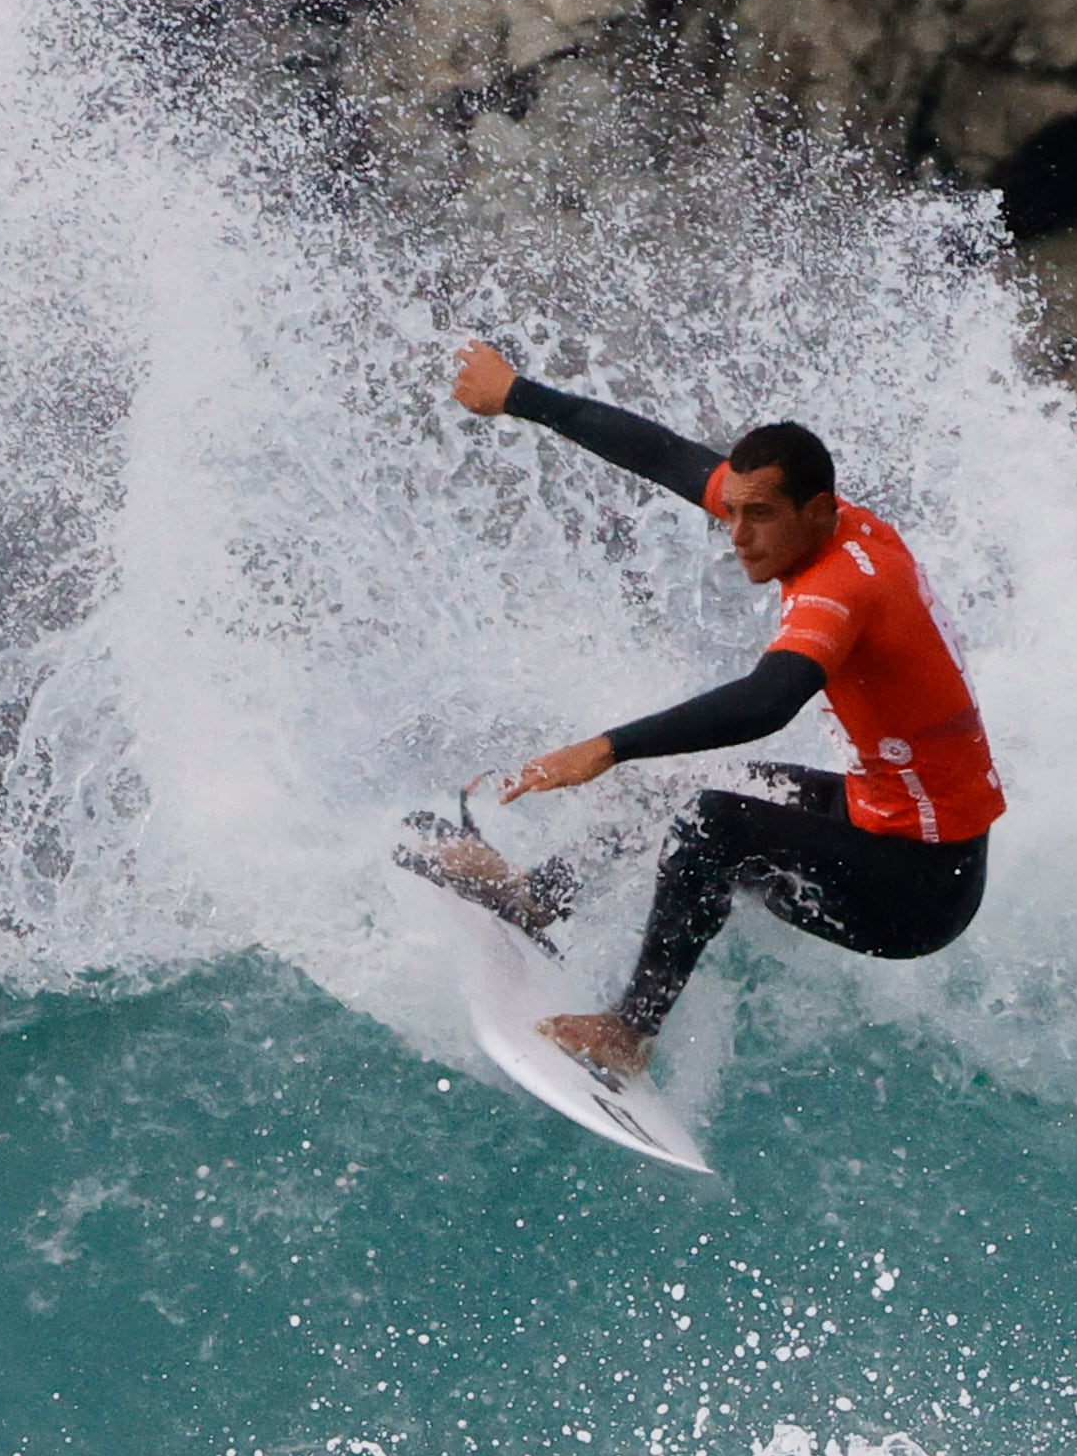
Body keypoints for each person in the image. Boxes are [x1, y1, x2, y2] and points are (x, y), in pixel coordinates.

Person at [401, 339, 1005, 1080]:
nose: (739, 536)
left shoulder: (844, 588)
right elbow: (662, 454)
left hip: (918, 892)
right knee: (680, 790)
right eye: (733, 512)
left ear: (816, 511)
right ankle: (538, 898)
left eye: (759, 517)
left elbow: (767, 701)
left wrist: (605, 746)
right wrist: (519, 394)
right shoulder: (828, 525)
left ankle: (630, 1033)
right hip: (880, 817)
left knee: (711, 824)